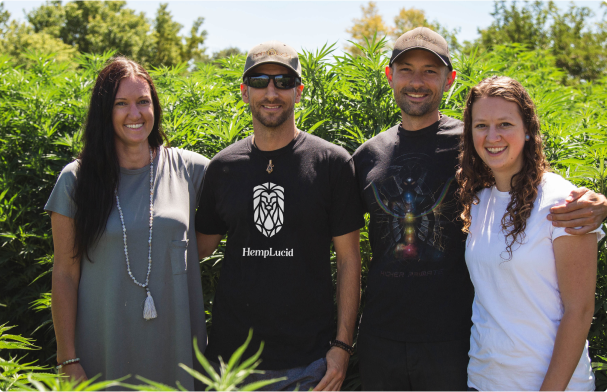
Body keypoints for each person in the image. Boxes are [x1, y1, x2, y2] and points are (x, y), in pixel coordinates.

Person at [352, 27, 607, 391]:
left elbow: (534, 181)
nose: (417, 81)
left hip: (454, 346)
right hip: (415, 350)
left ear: (449, 80)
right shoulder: (370, 157)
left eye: (430, 70)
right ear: (390, 75)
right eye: (406, 69)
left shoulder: (487, 152)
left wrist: (598, 203)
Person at [195, 41, 364, 392]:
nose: (271, 92)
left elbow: (349, 260)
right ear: (244, 92)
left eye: (283, 82)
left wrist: (342, 347)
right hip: (230, 367)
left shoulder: (332, 164)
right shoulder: (223, 168)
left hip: (308, 366)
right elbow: (197, 249)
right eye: (259, 81)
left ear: (299, 92)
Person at [46, 57, 209, 390]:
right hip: (101, 358)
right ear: (105, 111)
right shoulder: (75, 181)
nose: (135, 114)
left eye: (143, 101)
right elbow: (64, 274)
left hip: (177, 355)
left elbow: (246, 183)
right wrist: (67, 359)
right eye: (121, 103)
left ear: (155, 106)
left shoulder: (189, 169)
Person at [458, 75, 602, 391]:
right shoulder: (478, 200)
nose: (492, 135)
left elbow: (580, 312)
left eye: (505, 124)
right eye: (481, 125)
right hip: (484, 380)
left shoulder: (563, 201)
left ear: (527, 131)